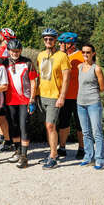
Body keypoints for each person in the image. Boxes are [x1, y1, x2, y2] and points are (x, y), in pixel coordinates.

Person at [36, 28, 70, 169]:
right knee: (48, 126)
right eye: (46, 39)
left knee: (51, 125)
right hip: (42, 95)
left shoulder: (62, 56)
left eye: (51, 39)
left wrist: (62, 97)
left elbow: (67, 79)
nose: (48, 41)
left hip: (54, 96)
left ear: (55, 40)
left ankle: (53, 156)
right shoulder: (41, 55)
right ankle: (52, 151)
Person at [3, 39, 37, 169]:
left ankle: (24, 156)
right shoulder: (4, 63)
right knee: (14, 126)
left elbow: (34, 81)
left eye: (17, 51)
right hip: (10, 101)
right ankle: (17, 151)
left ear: (20, 51)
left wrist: (32, 99)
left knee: (24, 126)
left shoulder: (27, 62)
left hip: (24, 100)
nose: (15, 53)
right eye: (12, 51)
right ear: (9, 51)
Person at [76, 43, 104, 170]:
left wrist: (91, 94)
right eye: (83, 52)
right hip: (80, 103)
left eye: (88, 52)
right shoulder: (79, 67)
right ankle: (88, 157)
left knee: (97, 132)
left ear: (93, 53)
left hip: (93, 103)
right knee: (85, 132)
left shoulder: (96, 69)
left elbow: (102, 87)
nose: (85, 55)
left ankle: (99, 159)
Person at [57, 32, 85, 159]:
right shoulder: (60, 56)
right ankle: (62, 147)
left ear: (71, 44)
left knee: (81, 124)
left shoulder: (80, 56)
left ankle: (82, 148)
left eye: (62, 43)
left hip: (79, 96)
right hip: (64, 96)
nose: (60, 45)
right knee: (63, 123)